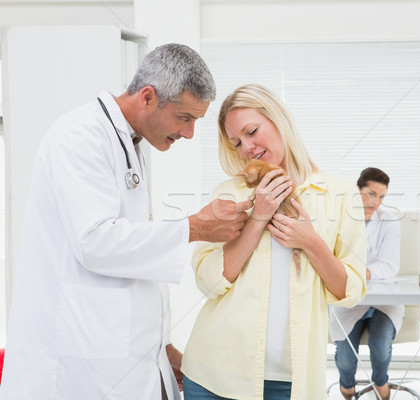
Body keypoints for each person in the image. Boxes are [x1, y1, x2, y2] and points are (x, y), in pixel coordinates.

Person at [0, 44, 252, 400]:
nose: (190, 133)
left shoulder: (129, 143)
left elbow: (134, 258)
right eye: (185, 118)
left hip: (122, 355)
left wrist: (159, 350)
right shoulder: (81, 136)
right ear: (148, 97)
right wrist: (194, 228)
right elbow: (97, 243)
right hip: (80, 364)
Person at [181, 84, 367, 400]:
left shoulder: (340, 195)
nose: (247, 148)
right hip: (213, 376)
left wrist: (311, 242)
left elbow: (349, 292)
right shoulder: (229, 193)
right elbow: (208, 283)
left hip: (291, 383)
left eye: (252, 131)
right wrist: (257, 218)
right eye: (237, 142)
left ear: (279, 120)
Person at [329, 167, 403, 400]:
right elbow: (330, 260)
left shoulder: (389, 221)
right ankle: (347, 388)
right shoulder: (339, 219)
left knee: (380, 348)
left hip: (383, 300)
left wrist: (354, 273)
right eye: (370, 193)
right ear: (357, 190)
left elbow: (390, 266)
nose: (376, 202)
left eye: (381, 197)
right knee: (345, 358)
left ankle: (381, 381)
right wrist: (356, 273)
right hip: (349, 300)